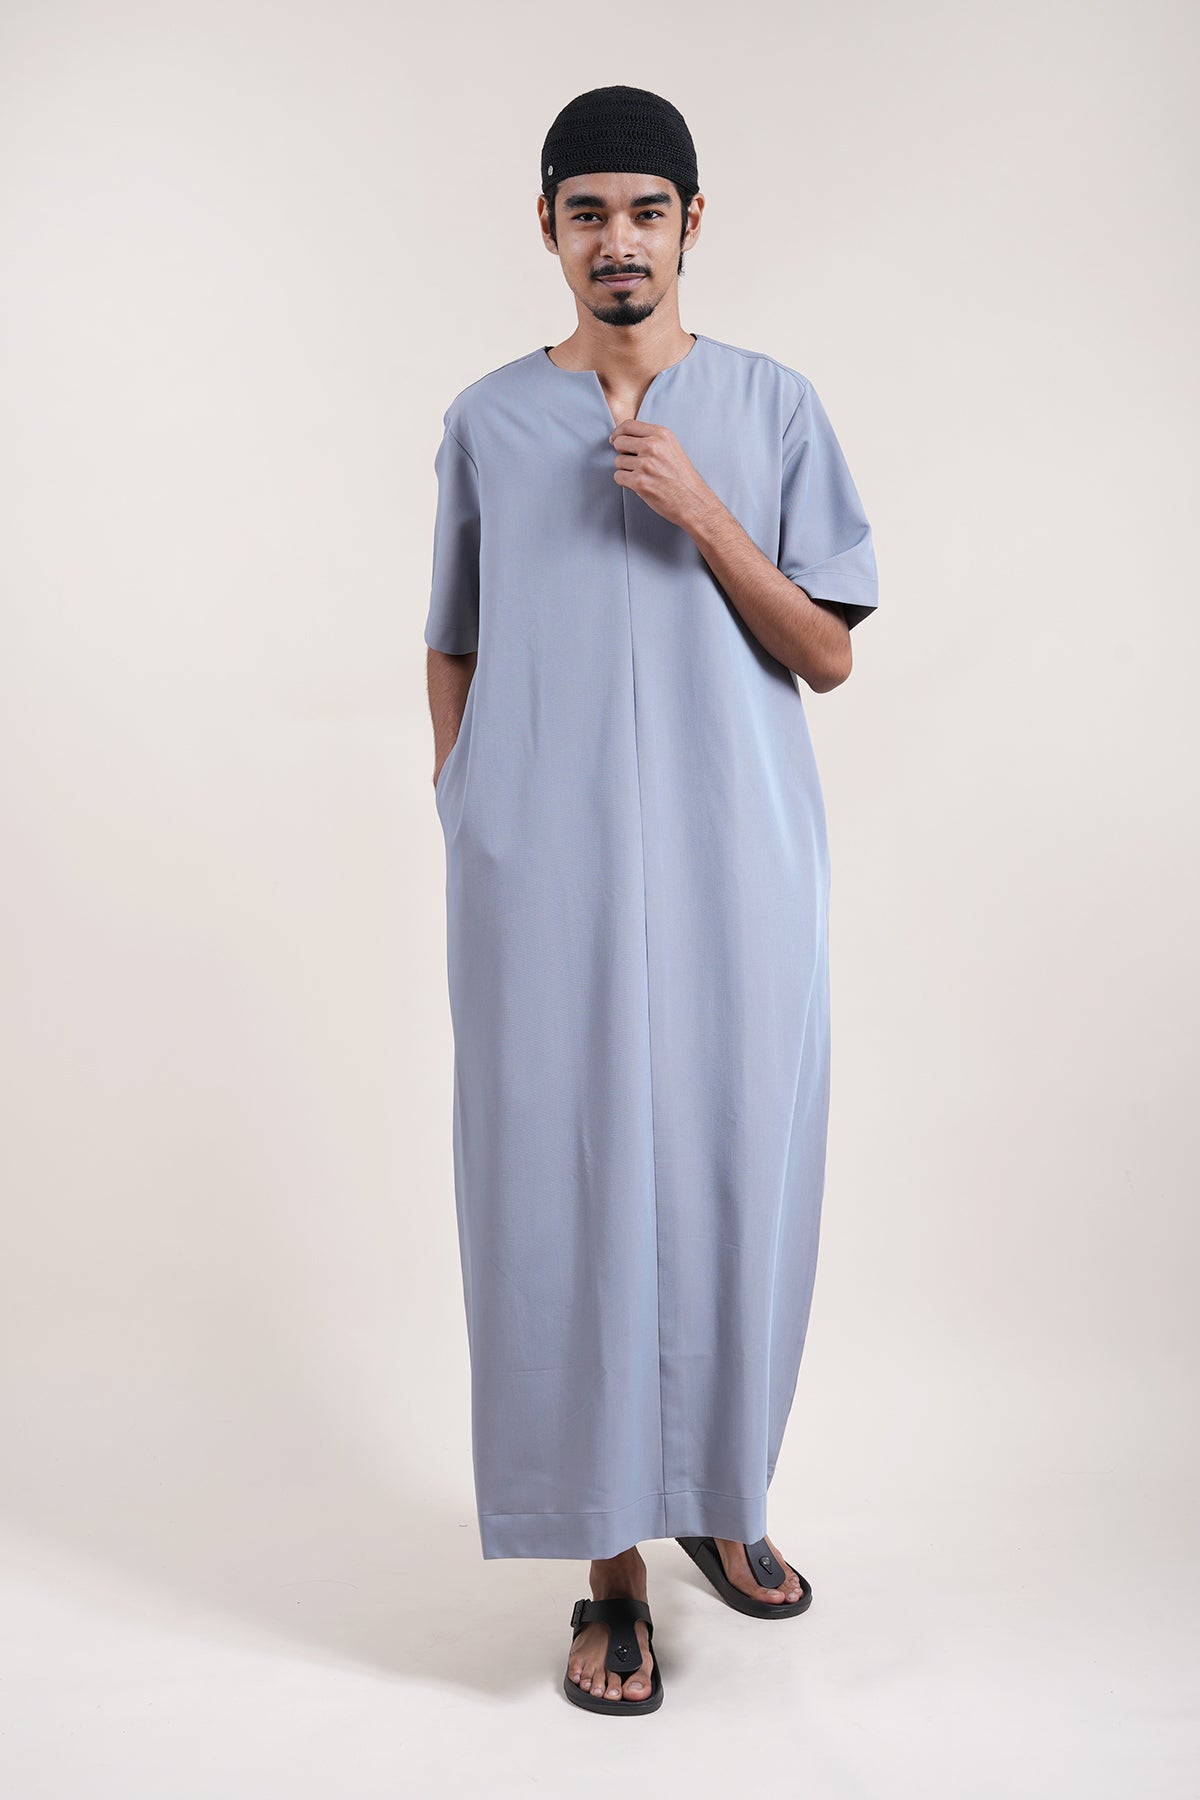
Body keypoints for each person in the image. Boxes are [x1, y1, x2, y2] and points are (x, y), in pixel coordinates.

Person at [424, 85, 879, 1715]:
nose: (618, 241)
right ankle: (609, 1568)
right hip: (539, 873)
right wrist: (468, 803)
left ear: (692, 223)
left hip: (736, 858)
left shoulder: (771, 406)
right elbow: (453, 634)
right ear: (548, 229)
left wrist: (701, 512)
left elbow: (826, 650)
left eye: (645, 210)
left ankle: (720, 1499)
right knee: (559, 1190)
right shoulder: (489, 421)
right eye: (587, 212)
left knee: (736, 1173)